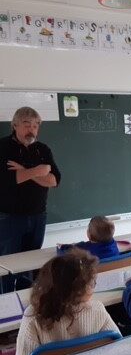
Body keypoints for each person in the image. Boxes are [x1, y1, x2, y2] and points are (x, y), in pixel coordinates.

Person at [14, 248, 120, 355]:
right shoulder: (97, 309)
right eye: (92, 283)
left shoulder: (33, 317)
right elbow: (119, 346)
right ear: (82, 290)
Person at [0, 107, 61, 257]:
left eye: (35, 126)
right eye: (27, 125)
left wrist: (24, 170)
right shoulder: (3, 147)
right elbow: (8, 180)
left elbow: (54, 180)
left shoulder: (43, 149)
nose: (31, 130)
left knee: (32, 261)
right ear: (15, 125)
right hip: (9, 218)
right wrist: (38, 171)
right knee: (9, 263)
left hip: (38, 216)